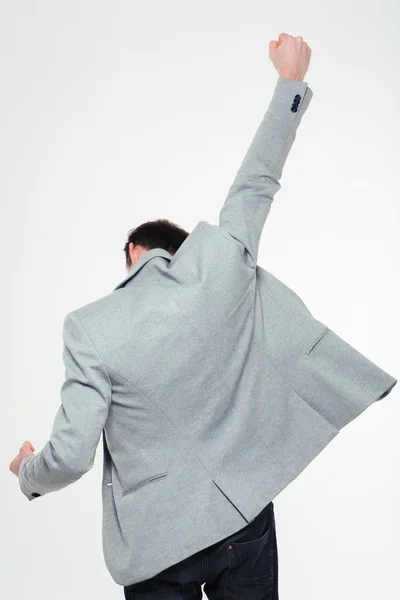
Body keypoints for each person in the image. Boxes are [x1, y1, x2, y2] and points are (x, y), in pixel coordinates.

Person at [10, 33, 397, 600]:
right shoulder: (219, 262)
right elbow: (257, 180)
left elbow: (70, 457)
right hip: (243, 520)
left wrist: (26, 471)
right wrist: (290, 81)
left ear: (135, 255)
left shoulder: (90, 327)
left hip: (154, 548)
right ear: (182, 247)